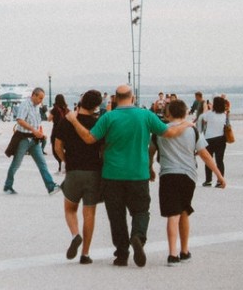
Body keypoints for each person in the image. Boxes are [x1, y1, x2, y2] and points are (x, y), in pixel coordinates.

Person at [65, 84, 191, 267]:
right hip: (138, 174)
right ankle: (138, 236)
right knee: (140, 211)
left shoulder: (108, 117)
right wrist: (186, 123)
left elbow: (89, 138)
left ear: (115, 98)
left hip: (112, 175)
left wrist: (74, 121)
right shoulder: (145, 115)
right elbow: (170, 133)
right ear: (133, 98)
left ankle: (122, 254)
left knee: (116, 216)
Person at [151, 98, 225, 265]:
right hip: (188, 176)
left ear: (168, 113)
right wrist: (219, 176)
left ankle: (172, 254)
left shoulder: (160, 131)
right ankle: (184, 251)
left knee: (172, 214)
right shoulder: (192, 131)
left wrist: (150, 169)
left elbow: (151, 151)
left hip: (168, 175)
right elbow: (205, 155)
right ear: (185, 112)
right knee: (184, 212)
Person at [53, 90, 104, 265]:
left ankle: (75, 235)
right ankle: (85, 254)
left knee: (70, 209)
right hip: (94, 171)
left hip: (74, 171)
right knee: (89, 213)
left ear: (81, 101)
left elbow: (57, 145)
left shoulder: (67, 121)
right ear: (97, 106)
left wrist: (66, 160)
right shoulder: (98, 123)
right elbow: (103, 149)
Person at [3, 87, 58, 195]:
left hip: (34, 139)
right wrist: (33, 130)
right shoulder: (25, 105)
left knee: (42, 164)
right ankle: (8, 186)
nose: (41, 101)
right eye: (40, 98)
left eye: (42, 98)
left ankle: (51, 186)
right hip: (23, 139)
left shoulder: (37, 106)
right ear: (34, 95)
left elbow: (35, 123)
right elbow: (19, 120)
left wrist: (40, 134)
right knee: (16, 164)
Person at [197, 96, 229, 187]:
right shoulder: (224, 114)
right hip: (221, 139)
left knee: (208, 159)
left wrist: (206, 108)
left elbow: (203, 118)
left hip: (209, 139)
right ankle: (220, 180)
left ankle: (208, 180)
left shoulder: (209, 114)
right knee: (220, 161)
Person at [49, 94, 69, 172]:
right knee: (65, 147)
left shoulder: (55, 109)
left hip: (56, 130)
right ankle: (65, 164)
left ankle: (61, 164)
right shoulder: (66, 109)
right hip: (66, 130)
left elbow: (49, 119)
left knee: (56, 148)